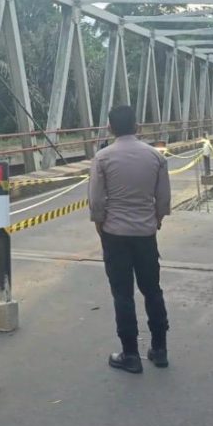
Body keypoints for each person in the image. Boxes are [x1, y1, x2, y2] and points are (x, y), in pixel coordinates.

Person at [89, 104, 171, 373]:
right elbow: (163, 200)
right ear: (137, 127)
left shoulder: (102, 158)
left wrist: (101, 224)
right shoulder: (156, 157)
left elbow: (96, 200)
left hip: (115, 235)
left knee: (122, 294)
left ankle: (131, 354)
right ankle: (159, 349)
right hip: (146, 234)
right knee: (152, 290)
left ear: (110, 128)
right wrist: (155, 220)